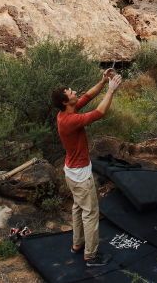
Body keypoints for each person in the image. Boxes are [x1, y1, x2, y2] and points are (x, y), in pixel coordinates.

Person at [52, 69, 122, 267]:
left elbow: (87, 96)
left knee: (77, 207)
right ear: (66, 101)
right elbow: (99, 112)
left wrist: (102, 81)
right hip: (80, 174)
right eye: (70, 92)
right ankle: (91, 256)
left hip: (71, 171)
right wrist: (111, 90)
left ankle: (77, 245)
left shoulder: (66, 112)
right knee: (90, 213)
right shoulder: (70, 121)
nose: (74, 92)